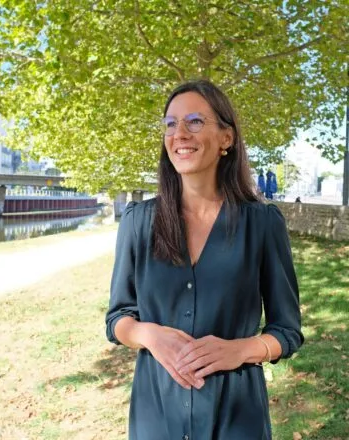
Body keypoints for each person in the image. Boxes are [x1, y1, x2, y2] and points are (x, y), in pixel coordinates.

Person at [105, 80, 304, 440]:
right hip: (156, 414)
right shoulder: (137, 222)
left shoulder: (262, 224)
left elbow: (287, 331)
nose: (179, 133)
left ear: (226, 138)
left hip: (237, 417)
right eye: (170, 123)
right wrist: (146, 333)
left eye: (195, 121)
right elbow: (118, 317)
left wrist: (242, 349)